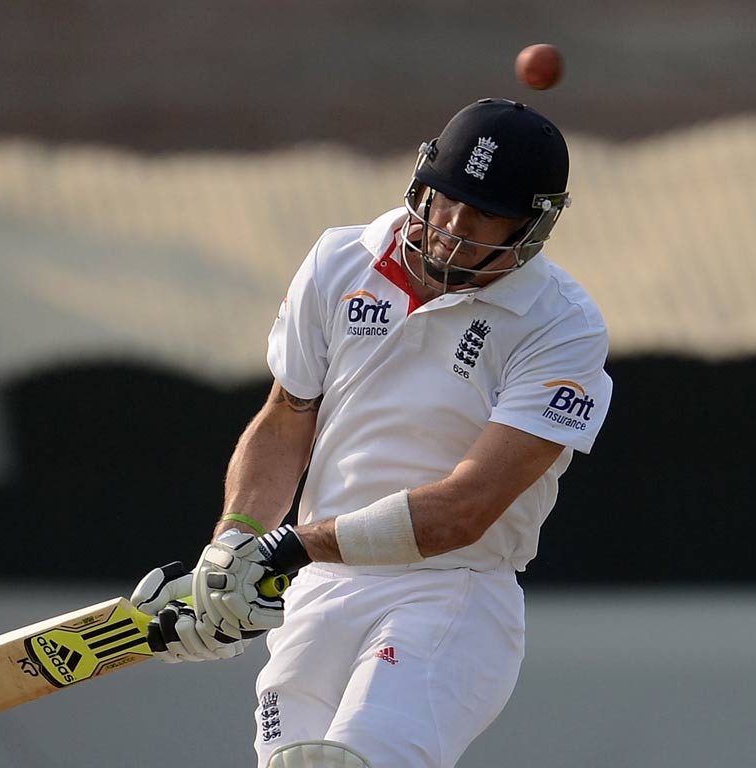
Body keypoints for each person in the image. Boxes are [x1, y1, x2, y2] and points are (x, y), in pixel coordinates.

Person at [131, 97, 613, 768]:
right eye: (444, 198)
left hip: (450, 592)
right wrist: (232, 550)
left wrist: (283, 549)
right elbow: (287, 417)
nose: (451, 226)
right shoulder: (340, 259)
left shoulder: (561, 325)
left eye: (484, 214)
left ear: (533, 227)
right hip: (317, 589)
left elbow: (463, 511)